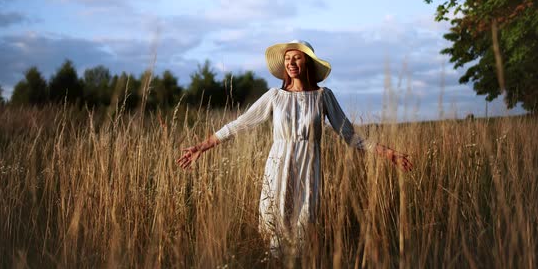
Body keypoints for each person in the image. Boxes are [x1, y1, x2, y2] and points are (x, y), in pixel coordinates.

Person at [177, 40, 413, 253]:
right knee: (277, 222)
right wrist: (202, 146)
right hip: (278, 165)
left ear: (307, 62)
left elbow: (349, 135)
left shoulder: (323, 96)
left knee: (303, 222)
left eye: (296, 58)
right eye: (287, 59)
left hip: (308, 166)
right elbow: (240, 124)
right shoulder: (274, 96)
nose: (290, 63)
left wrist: (387, 153)